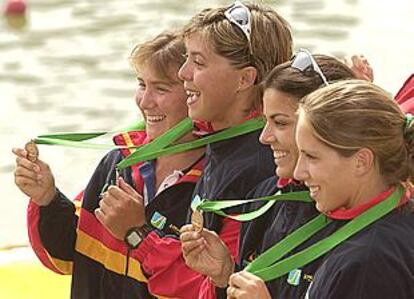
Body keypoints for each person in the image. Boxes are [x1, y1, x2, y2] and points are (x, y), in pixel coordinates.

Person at [97, 2, 293, 298]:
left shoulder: (261, 166)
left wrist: (138, 235)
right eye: (187, 59)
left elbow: (205, 285)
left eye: (198, 63)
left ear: (244, 79)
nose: (184, 72)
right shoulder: (223, 144)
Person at [13, 31, 205, 299]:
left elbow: (200, 289)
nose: (145, 102)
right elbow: (67, 257)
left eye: (161, 88)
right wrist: (47, 198)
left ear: (196, 95)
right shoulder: (119, 163)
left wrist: (137, 232)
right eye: (141, 84)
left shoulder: (211, 182)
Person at [180, 52, 357, 298]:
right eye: (265, 121)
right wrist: (225, 275)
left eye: (281, 123)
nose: (264, 137)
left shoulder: (362, 229)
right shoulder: (265, 198)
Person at [228, 80, 414, 298]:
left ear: (361, 161)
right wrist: (225, 274)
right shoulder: (386, 224)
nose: (298, 173)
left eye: (312, 157)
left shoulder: (369, 261)